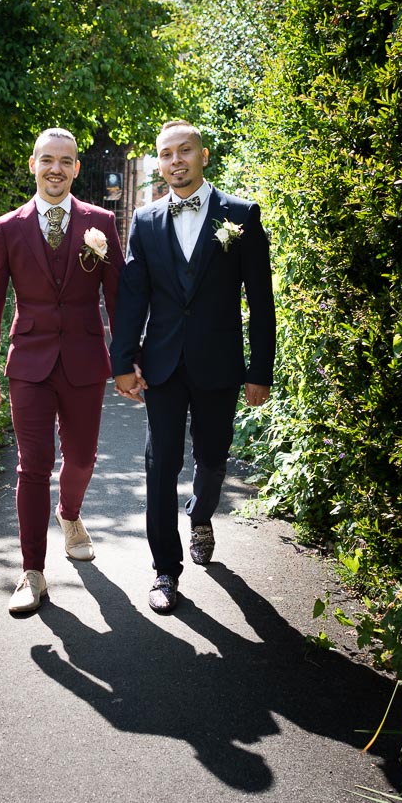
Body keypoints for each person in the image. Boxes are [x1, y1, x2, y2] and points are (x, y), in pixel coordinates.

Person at [110, 119, 275, 613]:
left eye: (184, 151)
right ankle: (165, 570)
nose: (175, 160)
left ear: (203, 155)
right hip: (161, 363)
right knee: (160, 463)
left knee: (213, 455)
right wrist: (122, 362)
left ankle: (201, 514)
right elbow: (133, 296)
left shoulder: (241, 215)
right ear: (159, 163)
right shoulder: (145, 221)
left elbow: (260, 301)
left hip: (219, 362)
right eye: (166, 154)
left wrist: (259, 370)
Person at [0, 127, 123, 616]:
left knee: (81, 458)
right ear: (33, 165)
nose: (55, 169)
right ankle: (32, 572)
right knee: (32, 465)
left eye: (65, 161)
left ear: (77, 168)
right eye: (47, 160)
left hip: (84, 360)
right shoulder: (9, 227)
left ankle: (71, 515)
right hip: (30, 365)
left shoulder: (100, 222)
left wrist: (126, 362)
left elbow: (118, 298)